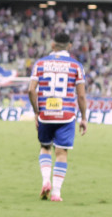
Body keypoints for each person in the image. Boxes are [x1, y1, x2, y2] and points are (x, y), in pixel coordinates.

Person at [27, 32, 87, 202]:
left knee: (45, 147)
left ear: (52, 45)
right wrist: (83, 118)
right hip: (66, 115)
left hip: (45, 114)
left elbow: (31, 90)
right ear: (69, 46)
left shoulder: (40, 63)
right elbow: (81, 96)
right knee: (61, 153)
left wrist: (37, 112)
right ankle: (56, 193)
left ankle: (45, 180)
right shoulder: (76, 66)